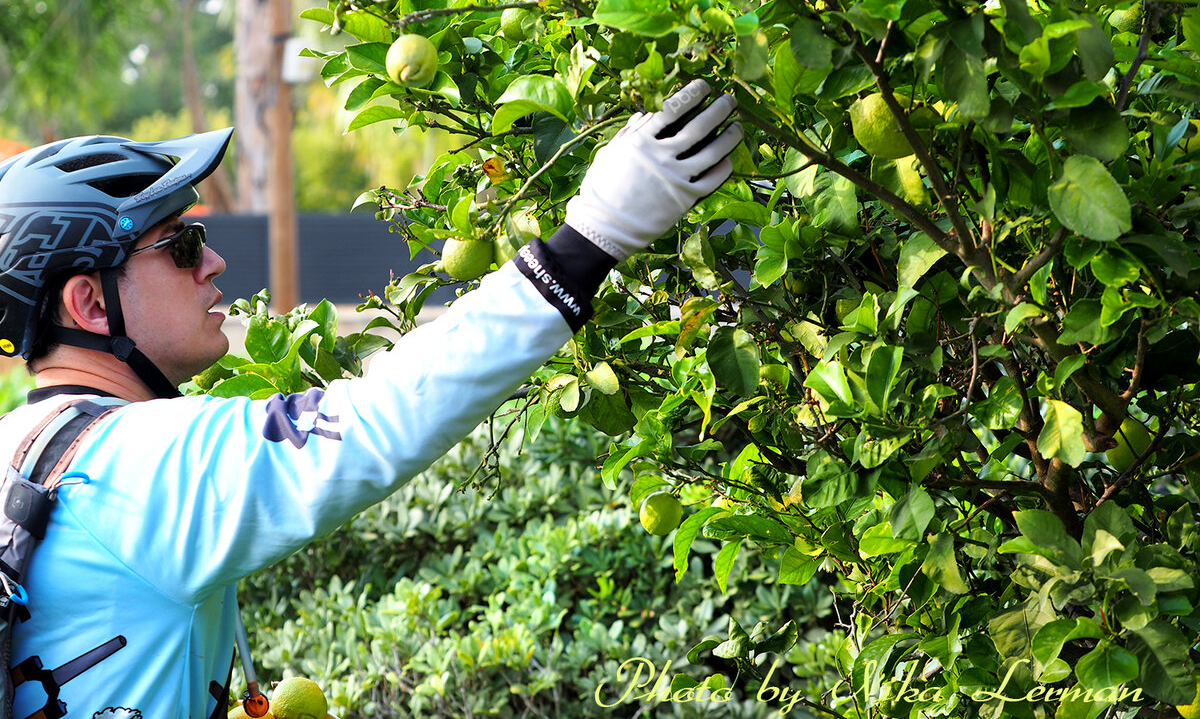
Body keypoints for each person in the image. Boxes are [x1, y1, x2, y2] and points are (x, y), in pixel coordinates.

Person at [0, 80, 742, 719]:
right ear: (90, 303)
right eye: (182, 246)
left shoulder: (21, 445)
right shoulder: (138, 464)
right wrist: (592, 238)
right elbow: (386, 415)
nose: (215, 261)